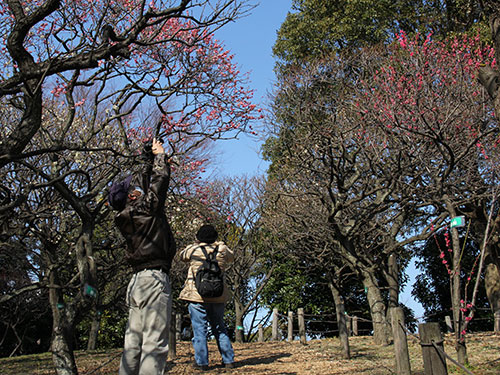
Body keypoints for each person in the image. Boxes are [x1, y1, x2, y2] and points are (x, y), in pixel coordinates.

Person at [108, 138, 176, 375]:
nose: (137, 188)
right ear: (132, 196)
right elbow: (159, 183)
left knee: (132, 345)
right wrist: (160, 158)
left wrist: (148, 159)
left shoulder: (125, 216)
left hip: (136, 283)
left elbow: (146, 184)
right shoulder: (146, 209)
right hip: (154, 281)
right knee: (154, 345)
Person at [179, 224, 235, 371]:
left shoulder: (194, 249)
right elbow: (231, 257)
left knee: (199, 329)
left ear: (198, 237)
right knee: (220, 327)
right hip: (218, 295)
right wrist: (220, 244)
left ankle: (202, 362)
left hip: (197, 296)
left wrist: (195, 244)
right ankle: (228, 360)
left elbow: (182, 256)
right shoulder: (222, 250)